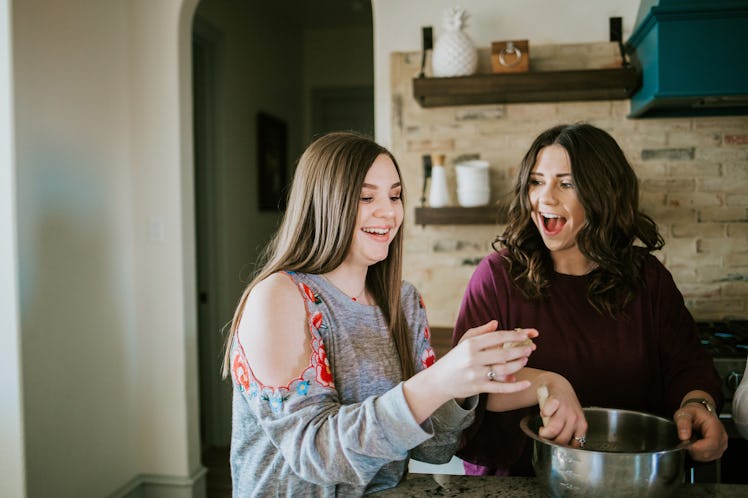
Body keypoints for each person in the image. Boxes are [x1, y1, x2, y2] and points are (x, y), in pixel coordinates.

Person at [222, 131, 537, 496]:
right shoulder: (279, 297)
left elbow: (434, 449)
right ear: (323, 203)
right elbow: (318, 455)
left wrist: (458, 387)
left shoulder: (403, 302)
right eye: (366, 197)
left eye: (395, 195)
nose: (388, 212)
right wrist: (436, 381)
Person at [452, 123, 729, 477]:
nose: (545, 198)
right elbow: (467, 383)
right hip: (518, 481)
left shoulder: (647, 279)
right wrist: (545, 383)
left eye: (566, 184)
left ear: (603, 194)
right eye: (536, 181)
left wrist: (697, 403)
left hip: (627, 479)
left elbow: (688, 365)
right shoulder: (497, 277)